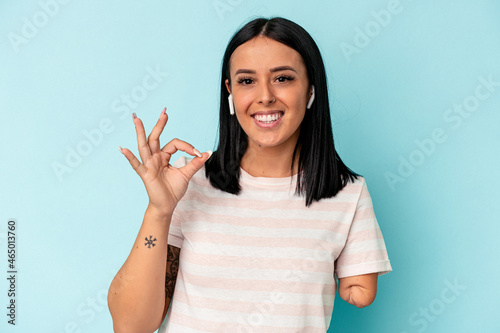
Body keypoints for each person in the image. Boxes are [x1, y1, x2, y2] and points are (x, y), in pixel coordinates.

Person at [108, 17, 392, 333]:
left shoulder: (347, 193)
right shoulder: (190, 184)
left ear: (311, 88)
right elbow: (130, 326)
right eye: (247, 81)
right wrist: (159, 211)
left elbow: (359, 290)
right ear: (229, 91)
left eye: (283, 78)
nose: (265, 96)